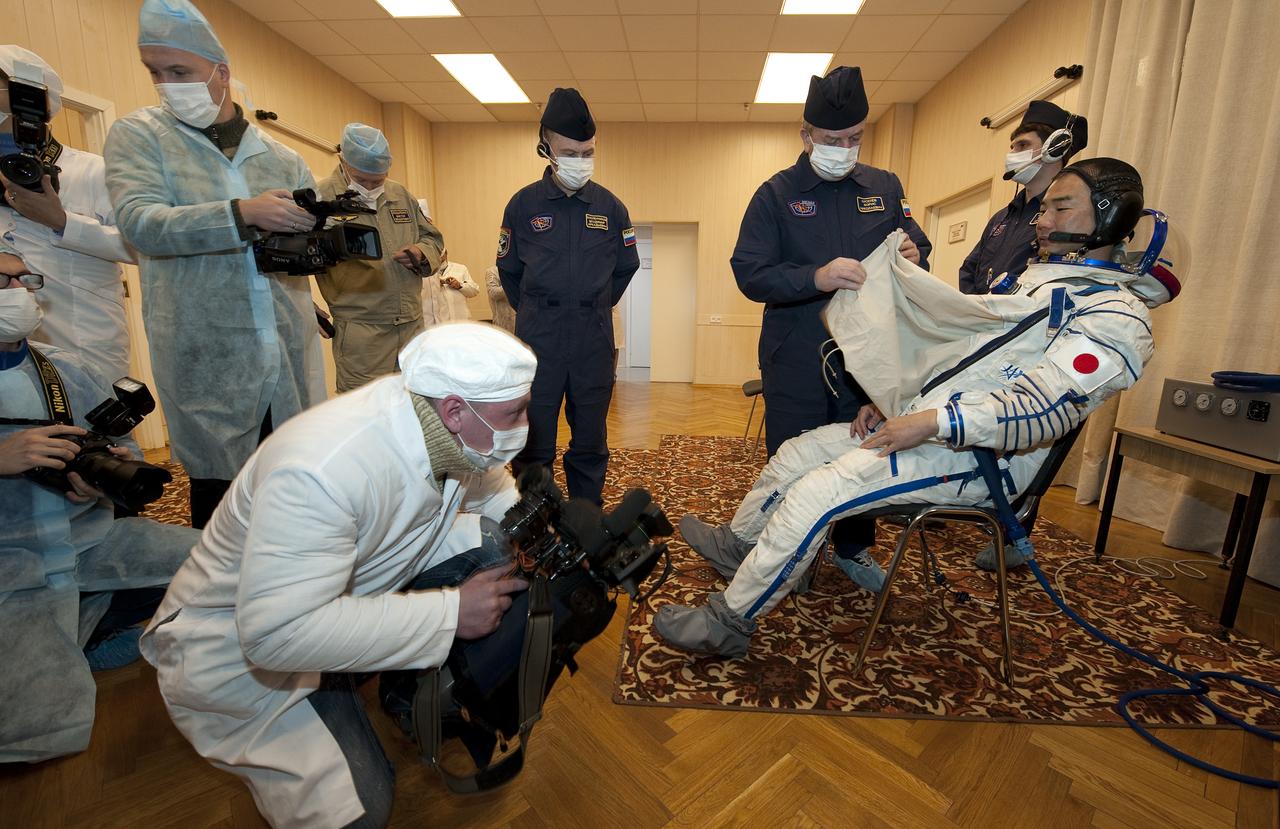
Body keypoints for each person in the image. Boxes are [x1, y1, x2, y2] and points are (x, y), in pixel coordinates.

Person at [656, 158, 1179, 658]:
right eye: (1044, 209)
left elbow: (1044, 411)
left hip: (982, 460)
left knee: (818, 491)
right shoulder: (1037, 285)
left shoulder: (1115, 318)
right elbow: (965, 366)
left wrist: (930, 421)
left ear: (1109, 214)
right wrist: (894, 407)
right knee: (798, 453)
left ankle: (730, 622)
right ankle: (738, 545)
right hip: (936, 429)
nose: (1041, 219)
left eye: (1059, 208)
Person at [139, 322, 537, 828]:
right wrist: (451, 613)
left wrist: (528, 526)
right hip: (236, 656)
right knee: (361, 812)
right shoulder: (319, 470)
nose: (525, 423)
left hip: (338, 596)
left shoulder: (438, 418)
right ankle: (354, 684)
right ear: (456, 410)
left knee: (496, 542)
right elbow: (274, 637)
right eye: (515, 413)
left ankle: (387, 685)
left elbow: (492, 486)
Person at [104, 0, 323, 528]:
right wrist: (242, 214)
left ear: (220, 73)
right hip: (207, 353)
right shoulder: (139, 137)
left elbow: (305, 248)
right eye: (155, 72)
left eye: (179, 72)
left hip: (284, 349)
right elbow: (140, 223)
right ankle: (221, 607)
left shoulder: (280, 156)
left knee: (290, 487)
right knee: (220, 501)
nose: (165, 84)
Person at [729, 65, 932, 589]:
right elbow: (749, 272)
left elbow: (917, 250)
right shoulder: (775, 194)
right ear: (806, 136)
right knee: (792, 458)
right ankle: (782, 555)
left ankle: (853, 549)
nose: (843, 148)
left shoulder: (884, 187)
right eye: (831, 139)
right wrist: (814, 276)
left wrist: (914, 252)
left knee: (863, 454)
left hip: (866, 359)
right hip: (795, 352)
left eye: (854, 139)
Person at [0, 246, 198, 762]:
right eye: (3, 283)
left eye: (24, 280)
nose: (19, 294)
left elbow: (126, 452)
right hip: (11, 568)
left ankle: (93, 623)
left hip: (91, 540)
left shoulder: (66, 370)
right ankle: (70, 631)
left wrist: (103, 475)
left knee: (222, 560)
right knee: (36, 733)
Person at [497, 87, 639, 504]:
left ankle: (585, 519)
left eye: (587, 152)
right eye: (570, 152)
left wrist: (592, 304)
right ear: (546, 147)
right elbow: (509, 271)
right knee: (534, 443)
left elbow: (625, 267)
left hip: (592, 337)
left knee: (591, 441)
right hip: (538, 338)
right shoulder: (523, 206)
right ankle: (536, 523)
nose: (580, 161)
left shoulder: (612, 209)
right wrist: (540, 310)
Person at [0, 46, 137, 382]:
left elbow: (144, 245)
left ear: (30, 98)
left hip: (87, 347)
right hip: (9, 350)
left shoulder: (95, 171)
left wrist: (62, 222)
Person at [315, 122, 445, 391]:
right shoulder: (321, 199)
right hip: (362, 330)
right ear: (343, 161)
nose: (372, 186)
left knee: (415, 403)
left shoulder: (399, 194)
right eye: (363, 180)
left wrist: (421, 254)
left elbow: (432, 238)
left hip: (410, 324)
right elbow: (296, 256)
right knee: (365, 411)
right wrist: (304, 305)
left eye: (379, 179)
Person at [959, 100, 1088, 294]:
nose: (1012, 154)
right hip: (982, 319)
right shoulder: (1001, 218)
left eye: (1022, 145)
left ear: (1054, 149)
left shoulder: (1069, 216)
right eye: (1012, 147)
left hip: (1029, 319)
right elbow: (969, 270)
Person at [422, 258, 478, 325]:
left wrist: (459, 285)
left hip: (461, 320)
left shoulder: (461, 268)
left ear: (445, 253)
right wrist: (435, 283)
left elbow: (474, 291)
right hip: (438, 323)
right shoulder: (424, 272)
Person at [484, 263, 515, 333]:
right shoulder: (493, 271)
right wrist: (511, 284)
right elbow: (493, 293)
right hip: (503, 323)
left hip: (524, 321)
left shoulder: (522, 272)